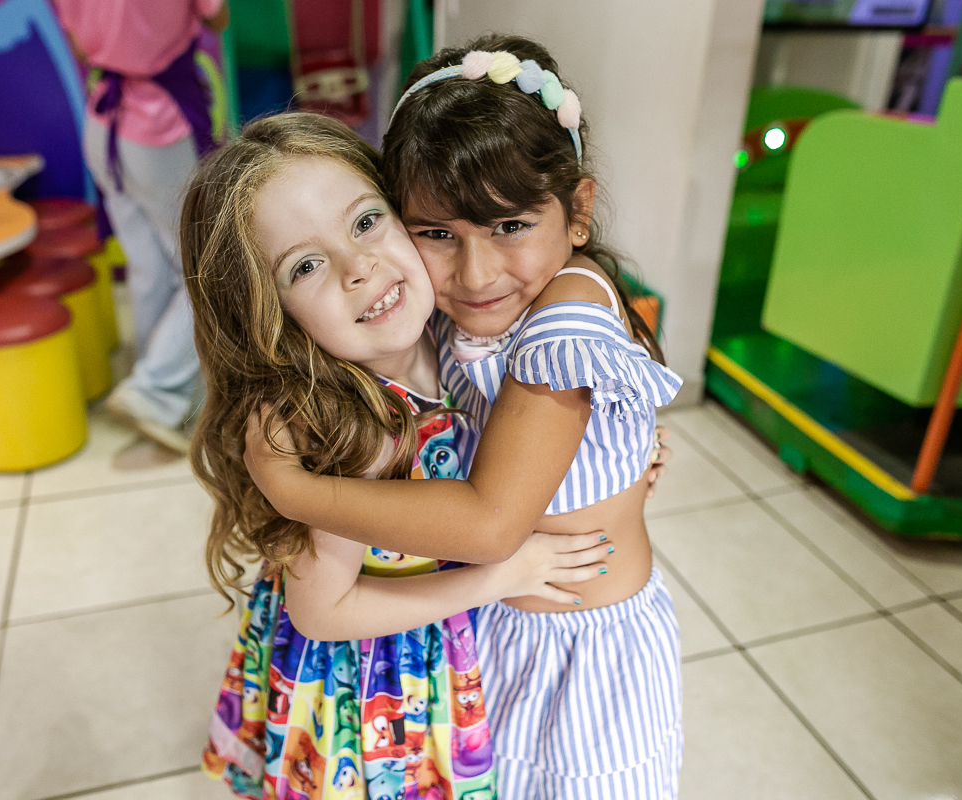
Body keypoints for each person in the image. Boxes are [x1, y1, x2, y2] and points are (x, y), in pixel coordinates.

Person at [246, 35, 684, 799]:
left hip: (585, 656)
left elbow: (489, 525)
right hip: (491, 627)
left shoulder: (564, 314)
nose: (476, 273)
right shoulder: (447, 317)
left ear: (577, 210)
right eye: (438, 233)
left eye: (509, 226)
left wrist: (294, 490)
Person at [182, 113, 614, 799]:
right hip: (368, 686)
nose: (362, 269)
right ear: (265, 310)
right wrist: (501, 576)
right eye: (306, 265)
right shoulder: (339, 430)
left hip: (430, 643)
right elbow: (324, 612)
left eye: (365, 222)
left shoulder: (453, 333)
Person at [54, 0, 228, 452]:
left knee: (149, 265)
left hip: (105, 120)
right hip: (158, 126)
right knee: (204, 268)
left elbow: (77, 45)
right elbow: (217, 16)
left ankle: (161, 387)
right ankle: (154, 391)